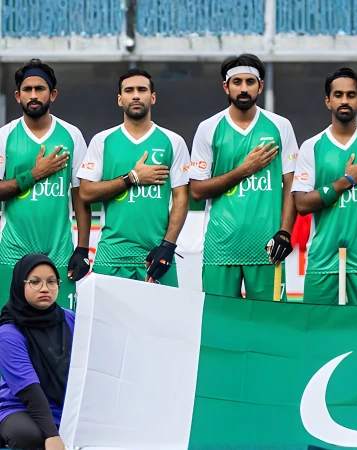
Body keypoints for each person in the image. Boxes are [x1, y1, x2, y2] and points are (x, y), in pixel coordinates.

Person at [189, 54, 299, 300]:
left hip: (268, 247)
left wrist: (284, 233)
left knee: (270, 320)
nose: (243, 88)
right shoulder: (208, 128)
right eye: (237, 82)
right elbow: (196, 191)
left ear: (260, 86)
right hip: (220, 247)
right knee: (218, 320)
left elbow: (291, 185)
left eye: (250, 82)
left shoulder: (280, 126)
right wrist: (245, 169)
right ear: (226, 86)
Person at [292, 68, 357, 305]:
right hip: (323, 258)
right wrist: (348, 180)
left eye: (351, 95)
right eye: (338, 95)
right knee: (318, 325)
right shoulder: (311, 146)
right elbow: (302, 204)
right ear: (328, 101)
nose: (344, 101)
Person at [77, 68, 190, 287]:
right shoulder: (102, 140)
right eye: (129, 90)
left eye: (142, 90)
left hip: (156, 256)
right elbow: (86, 193)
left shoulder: (173, 141)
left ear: (153, 97)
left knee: (162, 312)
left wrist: (168, 246)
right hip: (111, 256)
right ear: (120, 99)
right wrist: (133, 177)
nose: (136, 95)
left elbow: (181, 198)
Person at [0, 59, 91, 310]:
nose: (33, 95)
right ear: (17, 96)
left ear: (52, 94)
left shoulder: (72, 135)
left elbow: (81, 196)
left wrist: (82, 249)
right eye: (27, 89)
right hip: (12, 252)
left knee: (61, 327)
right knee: (10, 326)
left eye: (40, 89)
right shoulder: (5, 136)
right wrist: (34, 174)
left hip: (59, 253)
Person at [0, 254, 73, 450]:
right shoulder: (9, 333)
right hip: (22, 406)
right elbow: (29, 390)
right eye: (34, 282)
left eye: (51, 282)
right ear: (20, 284)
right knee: (27, 435)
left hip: (66, 405)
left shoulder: (70, 319)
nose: (44, 288)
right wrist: (52, 435)